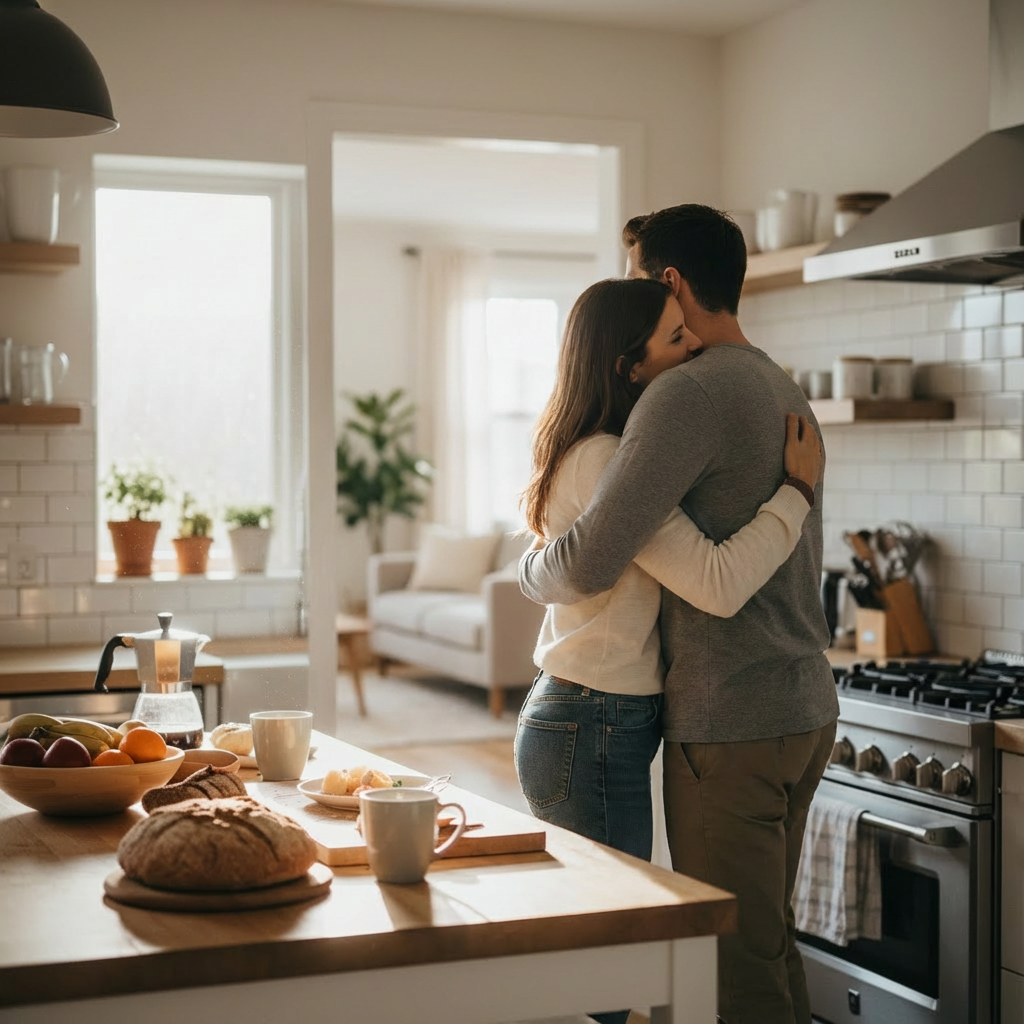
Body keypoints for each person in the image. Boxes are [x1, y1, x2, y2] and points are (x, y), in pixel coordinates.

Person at [518, 207, 839, 1024]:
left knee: (731, 971)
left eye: (636, 278)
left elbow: (592, 558)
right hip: (802, 707)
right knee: (765, 947)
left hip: (732, 719)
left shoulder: (686, 392)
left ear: (666, 281)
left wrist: (524, 570)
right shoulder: (778, 381)